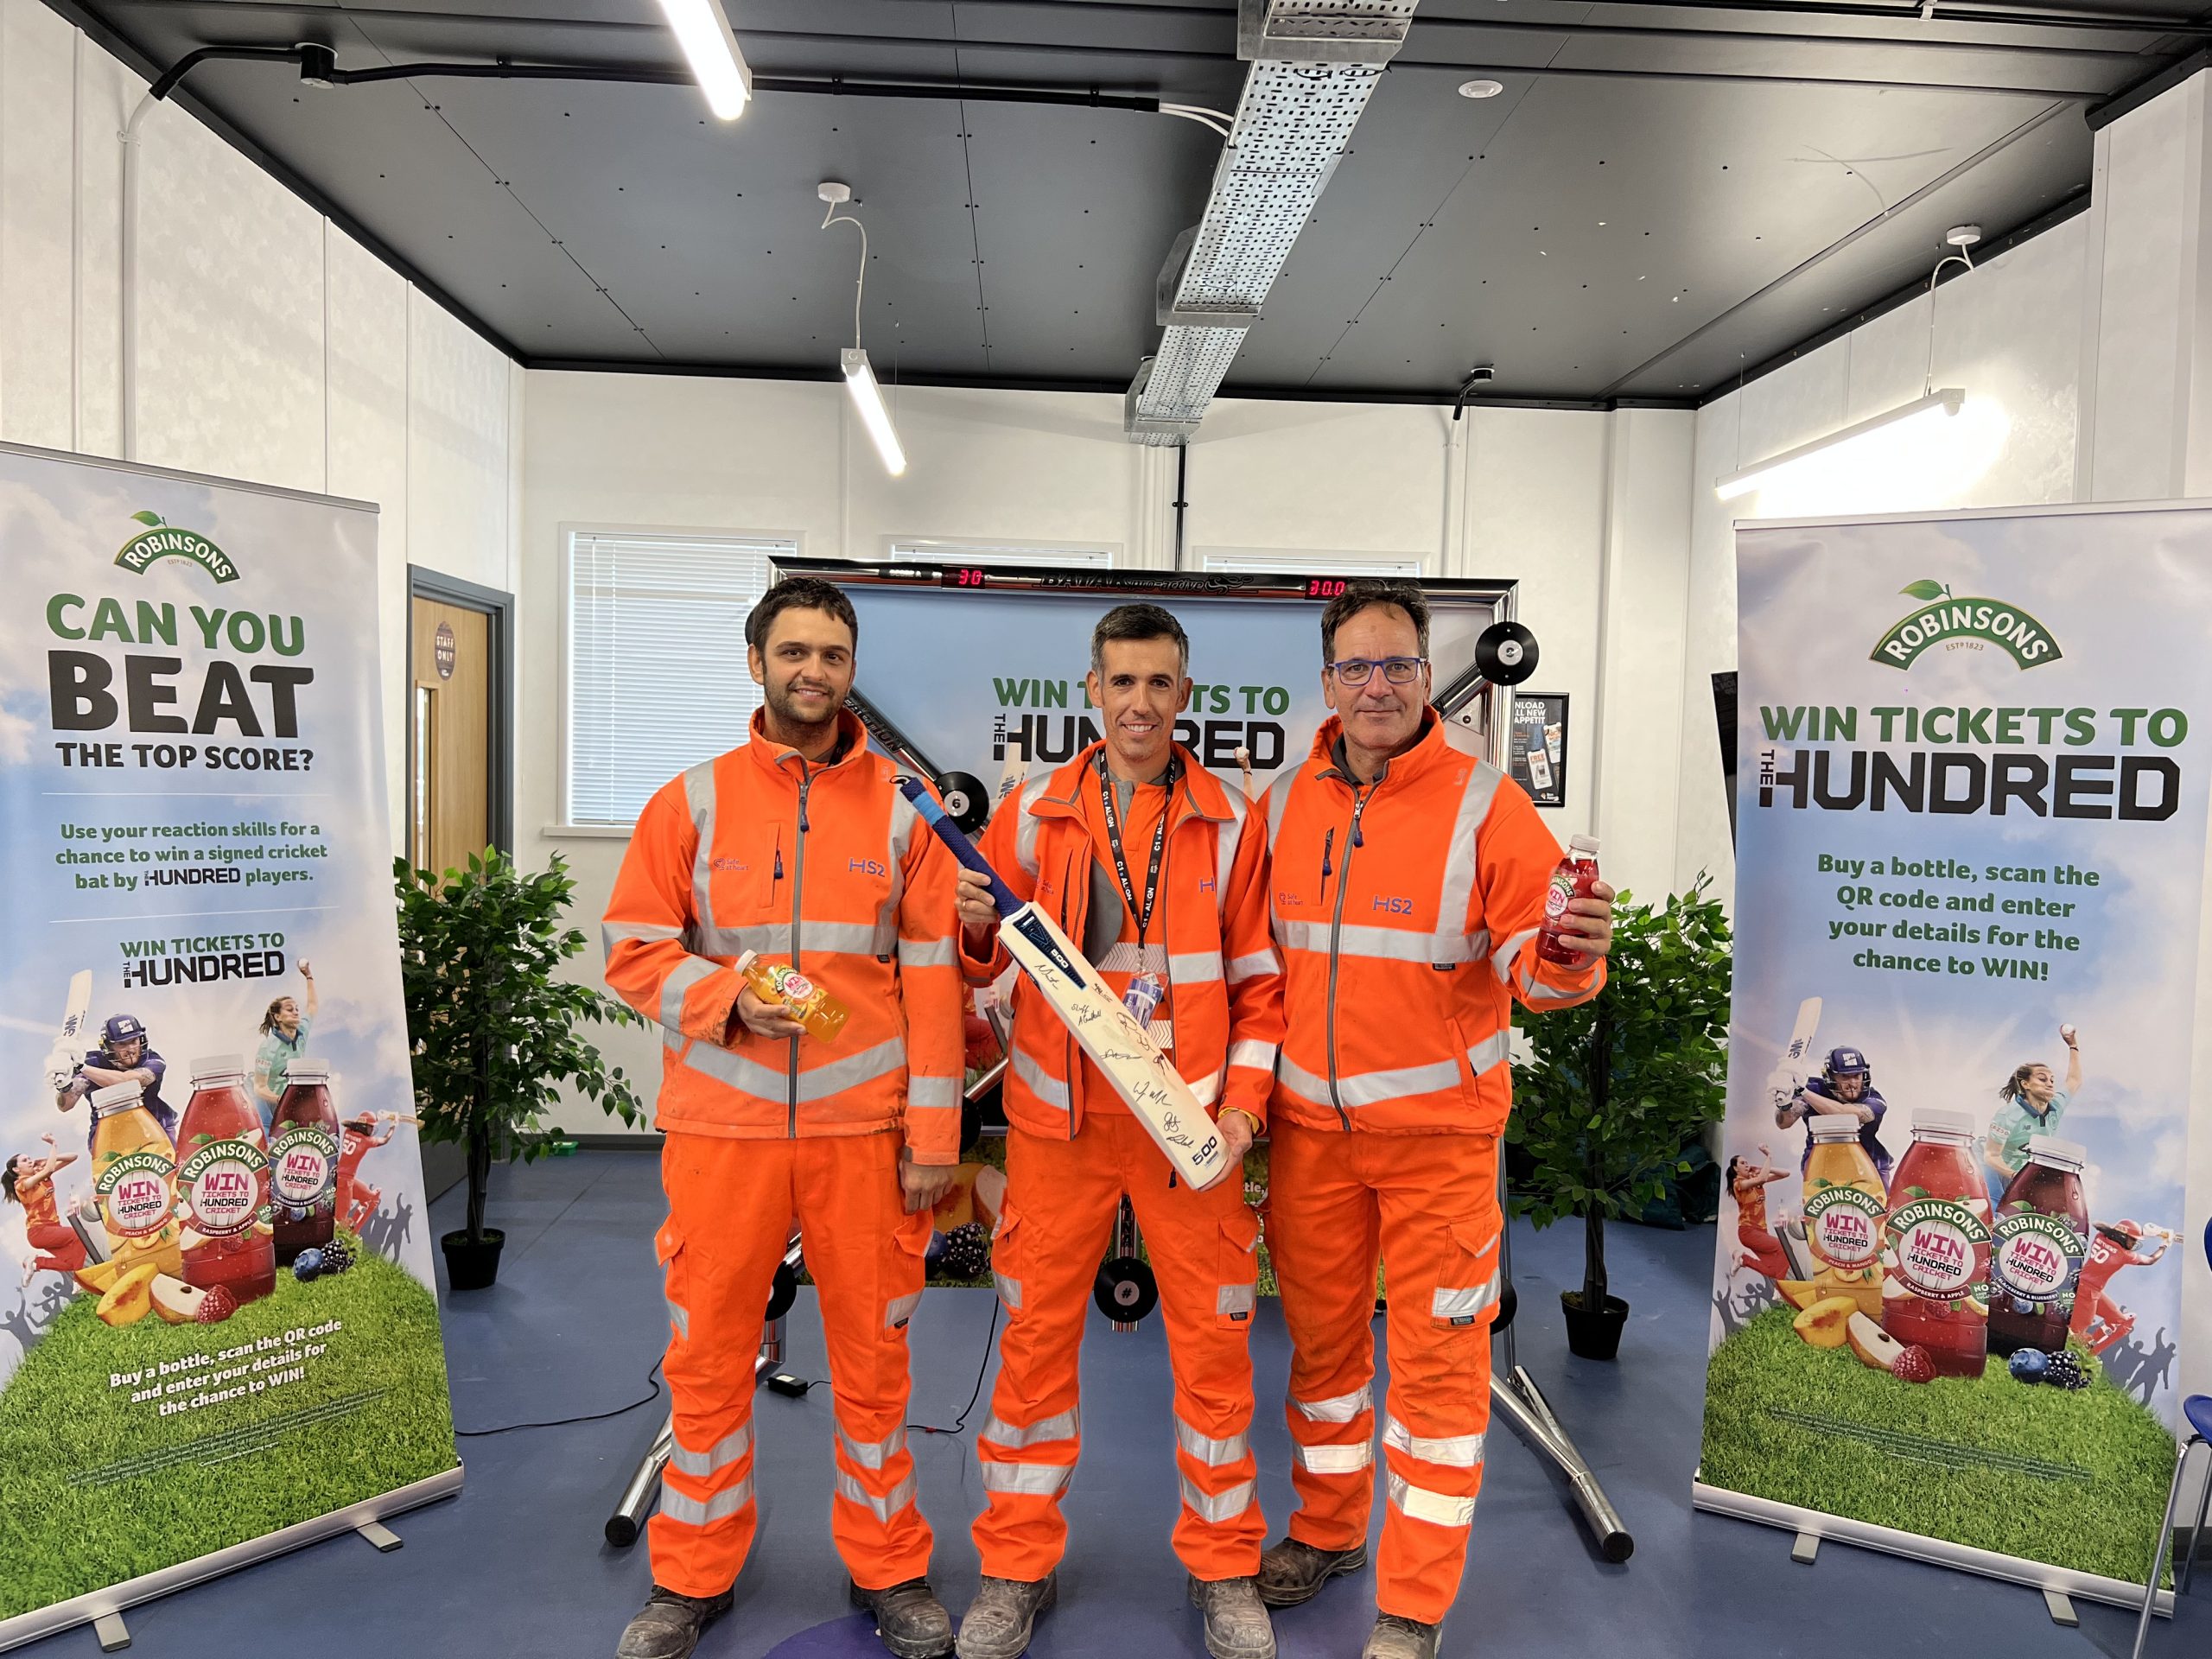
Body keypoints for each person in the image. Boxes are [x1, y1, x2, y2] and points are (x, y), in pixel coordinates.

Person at [603, 575, 965, 1659]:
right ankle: (691, 1574)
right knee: (707, 1362)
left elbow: (934, 979)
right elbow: (632, 949)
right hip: (723, 1137)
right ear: (756, 661)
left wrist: (934, 1140)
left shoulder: (906, 808)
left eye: (833, 655)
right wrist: (725, 997)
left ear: (852, 671)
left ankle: (890, 1565)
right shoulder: (690, 802)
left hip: (865, 1139)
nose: (814, 671)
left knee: (876, 1365)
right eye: (794, 652)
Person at [1255, 582, 1613, 1659]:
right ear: (1327, 682)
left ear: (1426, 677)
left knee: (1436, 1381)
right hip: (1310, 1141)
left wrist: (1570, 953)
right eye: (1356, 667)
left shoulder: (1486, 806)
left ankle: (1412, 1602)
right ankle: (1327, 1533)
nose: (1378, 686)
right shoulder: (1281, 804)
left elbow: (1537, 973)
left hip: (1440, 1150)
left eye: (1398, 666)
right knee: (1322, 1356)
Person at [949, 603, 1283, 1659]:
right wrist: (970, 927)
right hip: (1060, 1124)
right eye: (1121, 682)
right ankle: (1014, 1566)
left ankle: (1224, 1568)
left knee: (1217, 1358)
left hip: (1191, 1131)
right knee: (1032, 1354)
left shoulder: (1232, 821)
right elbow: (982, 961)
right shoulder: (1031, 811)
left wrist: (1242, 1107)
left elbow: (1262, 985)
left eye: (1159, 683)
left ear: (1185, 695)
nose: (1140, 703)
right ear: (1091, 689)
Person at [1985, 1024, 2082, 1210]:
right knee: (1994, 1213)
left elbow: (2074, 1080)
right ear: (2026, 1084)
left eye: (2052, 1080)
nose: (2050, 1084)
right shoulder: (2007, 1115)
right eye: (2042, 1079)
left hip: (2022, 1173)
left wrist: (2073, 1046)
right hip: (1996, 1171)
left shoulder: (2056, 1106)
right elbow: (1991, 1156)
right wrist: (2014, 1176)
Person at [1773, 1046, 1891, 1184]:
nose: (1852, 1083)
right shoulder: (1814, 1089)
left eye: (1856, 1076)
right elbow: (1784, 1123)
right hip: (1821, 1164)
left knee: (1880, 1198)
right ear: (1830, 1076)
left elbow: (1845, 1115)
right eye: (1845, 1077)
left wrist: (1803, 1091)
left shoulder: (1874, 1099)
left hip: (1869, 1164)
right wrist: (1784, 1104)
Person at [53, 1014, 173, 1150]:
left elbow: (127, 1082)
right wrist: (64, 1086)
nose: (130, 1049)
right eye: (122, 1044)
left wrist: (81, 1067)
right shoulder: (92, 1062)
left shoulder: (153, 1061)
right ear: (108, 1046)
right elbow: (65, 1106)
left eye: (134, 1041)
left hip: (156, 1127)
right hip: (107, 1135)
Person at [2072, 1217, 2175, 1355]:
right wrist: (2164, 1245)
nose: (2134, 1244)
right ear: (2122, 1236)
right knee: (2076, 1335)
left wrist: (2143, 1232)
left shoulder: (2100, 1237)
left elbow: (2111, 1228)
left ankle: (2091, 1347)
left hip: (2082, 1286)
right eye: (2133, 1240)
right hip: (2089, 1293)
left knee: (2118, 1320)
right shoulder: (2124, 1255)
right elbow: (2151, 1260)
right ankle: (2088, 1351)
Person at [4, 1135, 86, 1285]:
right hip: (39, 1232)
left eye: (29, 1158)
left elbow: (73, 1157)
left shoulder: (41, 1174)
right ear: (16, 1169)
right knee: (79, 1234)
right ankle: (80, 1279)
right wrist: (53, 1144)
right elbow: (49, 1168)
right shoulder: (21, 1184)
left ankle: (36, 1263)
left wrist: (46, 1159)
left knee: (70, 1262)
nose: (30, 1161)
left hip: (54, 1228)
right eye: (25, 1160)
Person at [251, 960, 319, 1133]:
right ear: (278, 1017)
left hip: (285, 1098)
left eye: (297, 1009)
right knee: (269, 1135)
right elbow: (259, 1087)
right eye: (290, 1009)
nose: (296, 1012)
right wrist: (280, 1099)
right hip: (264, 1100)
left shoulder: (302, 1030)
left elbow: (312, 1006)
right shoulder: (268, 1047)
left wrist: (309, 976)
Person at [1725, 1147, 1793, 1281]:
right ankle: (1780, 1286)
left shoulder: (1754, 1179)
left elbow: (1785, 1174)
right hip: (1748, 1231)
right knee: (1785, 1247)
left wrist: (1763, 1169)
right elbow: (1762, 1179)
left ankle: (1743, 1259)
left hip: (1761, 1231)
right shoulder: (1738, 1183)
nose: (1747, 1165)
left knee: (1773, 1270)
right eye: (1742, 1163)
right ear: (1735, 1168)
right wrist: (1769, 1156)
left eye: (1747, 1162)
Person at [336, 1113, 401, 1232]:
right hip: (345, 1182)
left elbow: (354, 1123)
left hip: (340, 1178)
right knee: (340, 1221)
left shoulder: (348, 1132)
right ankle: (347, 1233)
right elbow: (385, 1139)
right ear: (363, 1126)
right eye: (370, 1127)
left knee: (371, 1198)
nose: (371, 1131)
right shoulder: (366, 1141)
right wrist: (393, 1125)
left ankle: (354, 1229)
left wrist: (378, 1118)